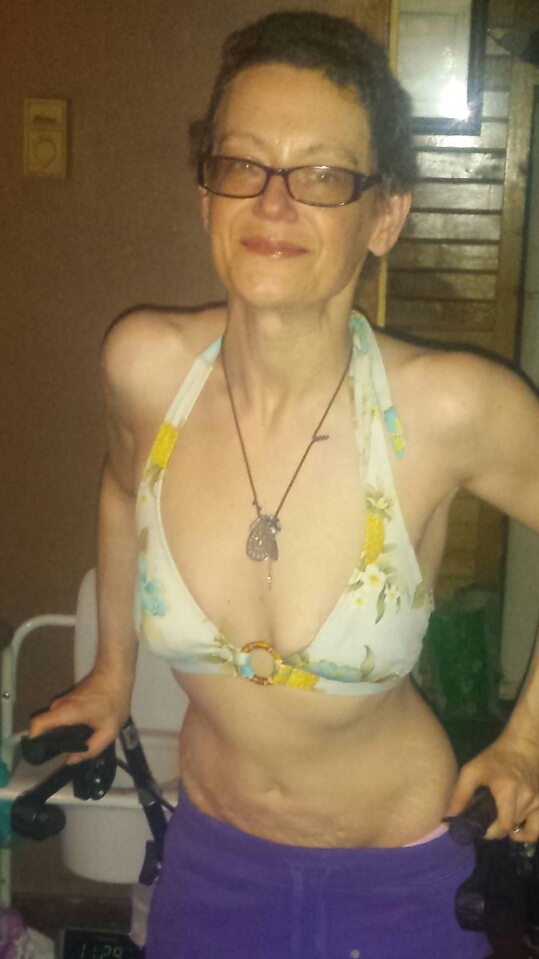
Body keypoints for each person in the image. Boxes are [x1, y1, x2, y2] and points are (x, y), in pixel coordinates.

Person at [30, 11, 539, 958]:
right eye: (243, 164)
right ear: (205, 194)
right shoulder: (144, 366)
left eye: (322, 175)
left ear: (384, 216)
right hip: (209, 866)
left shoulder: (448, 408)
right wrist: (110, 674)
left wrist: (526, 743)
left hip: (401, 880)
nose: (272, 202)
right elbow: (119, 490)